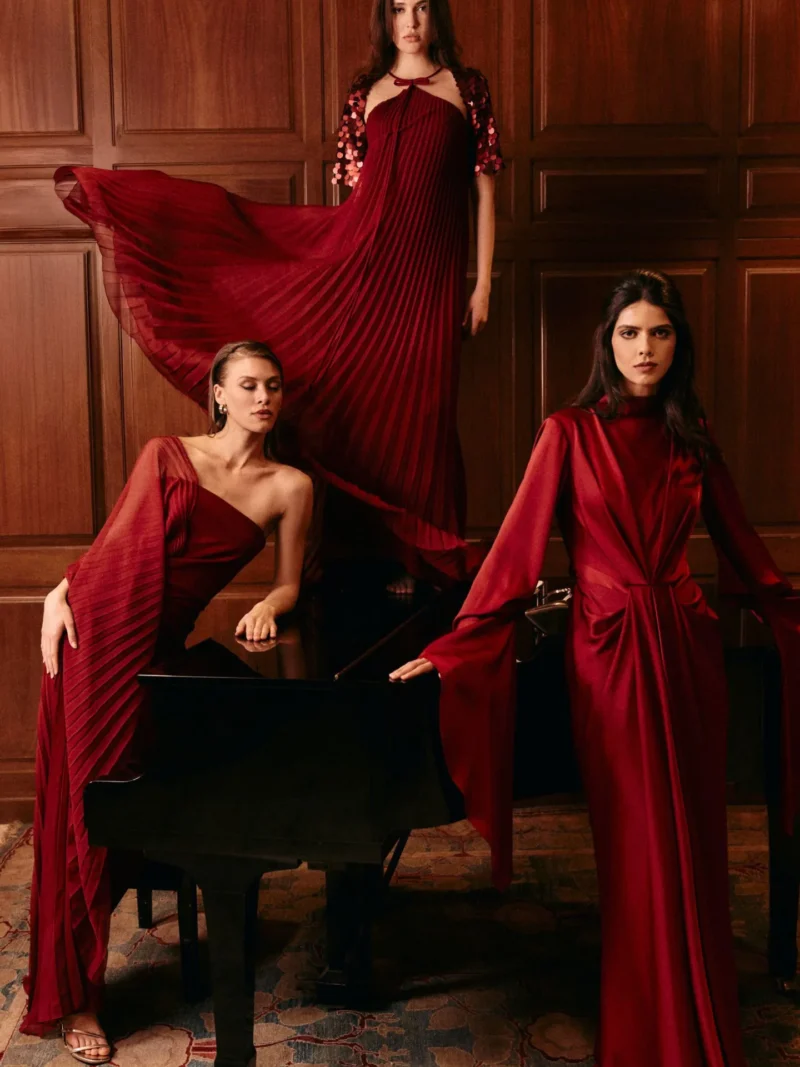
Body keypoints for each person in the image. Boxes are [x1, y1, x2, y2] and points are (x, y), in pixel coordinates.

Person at [390, 270, 800, 1067]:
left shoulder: (692, 431)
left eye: (659, 333)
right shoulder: (568, 431)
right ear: (606, 344)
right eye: (629, 333)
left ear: (679, 344)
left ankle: (700, 1021)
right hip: (608, 655)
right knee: (636, 846)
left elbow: (743, 543)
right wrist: (454, 646)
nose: (644, 348)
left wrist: (786, 607)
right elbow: (514, 551)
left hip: (686, 648)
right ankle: (650, 1035)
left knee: (694, 840)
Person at [53, 0, 502, 593]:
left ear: (437, 16)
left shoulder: (467, 88)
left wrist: (483, 282)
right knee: (357, 411)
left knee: (425, 412)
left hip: (430, 277)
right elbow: (354, 197)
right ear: (385, 20)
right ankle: (363, 556)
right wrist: (338, 274)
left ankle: (423, 559)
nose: (410, 21)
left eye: (421, 7)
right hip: (365, 265)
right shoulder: (364, 92)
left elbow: (484, 189)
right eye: (398, 9)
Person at [22, 341, 312, 1063]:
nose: (262, 397)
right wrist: (63, 591)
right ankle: (79, 995)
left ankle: (86, 968)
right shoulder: (166, 453)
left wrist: (272, 606)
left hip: (158, 651)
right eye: (246, 385)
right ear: (216, 394)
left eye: (272, 385)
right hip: (98, 637)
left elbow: (290, 582)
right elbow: (115, 548)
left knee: (131, 801)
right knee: (86, 814)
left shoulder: (291, 486)